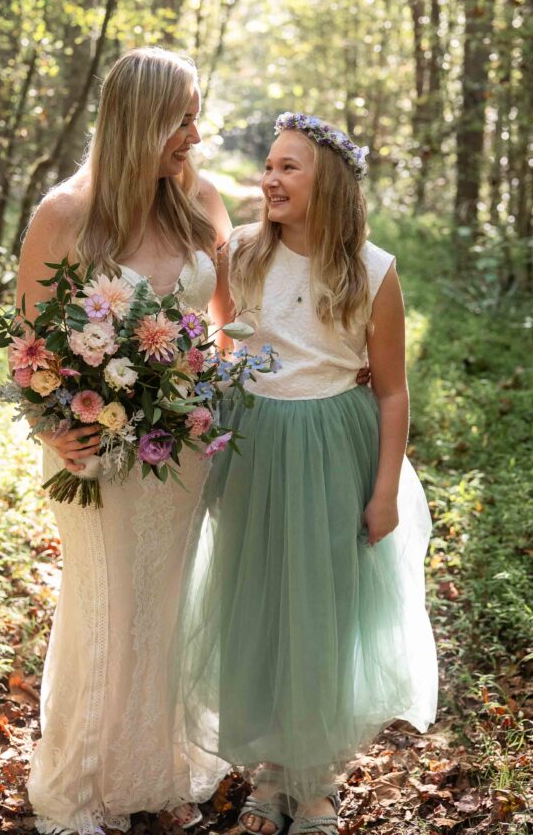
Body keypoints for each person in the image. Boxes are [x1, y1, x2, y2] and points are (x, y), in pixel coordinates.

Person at [174, 113, 438, 835]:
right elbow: (228, 347)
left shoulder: (371, 271)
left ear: (331, 185)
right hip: (256, 443)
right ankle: (267, 767)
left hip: (330, 447)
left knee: (318, 610)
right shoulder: (245, 254)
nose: (269, 178)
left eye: (289, 167)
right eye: (267, 164)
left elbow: (390, 390)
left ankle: (313, 777)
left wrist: (382, 490)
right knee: (258, 599)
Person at [14, 47, 234, 834]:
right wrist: (56, 427)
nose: (196, 134)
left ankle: (159, 769)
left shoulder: (200, 200)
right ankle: (86, 780)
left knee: (168, 600)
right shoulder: (65, 215)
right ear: (140, 120)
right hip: (92, 448)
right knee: (107, 599)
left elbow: (228, 327)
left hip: (181, 446)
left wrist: (215, 400)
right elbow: (29, 345)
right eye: (182, 118)